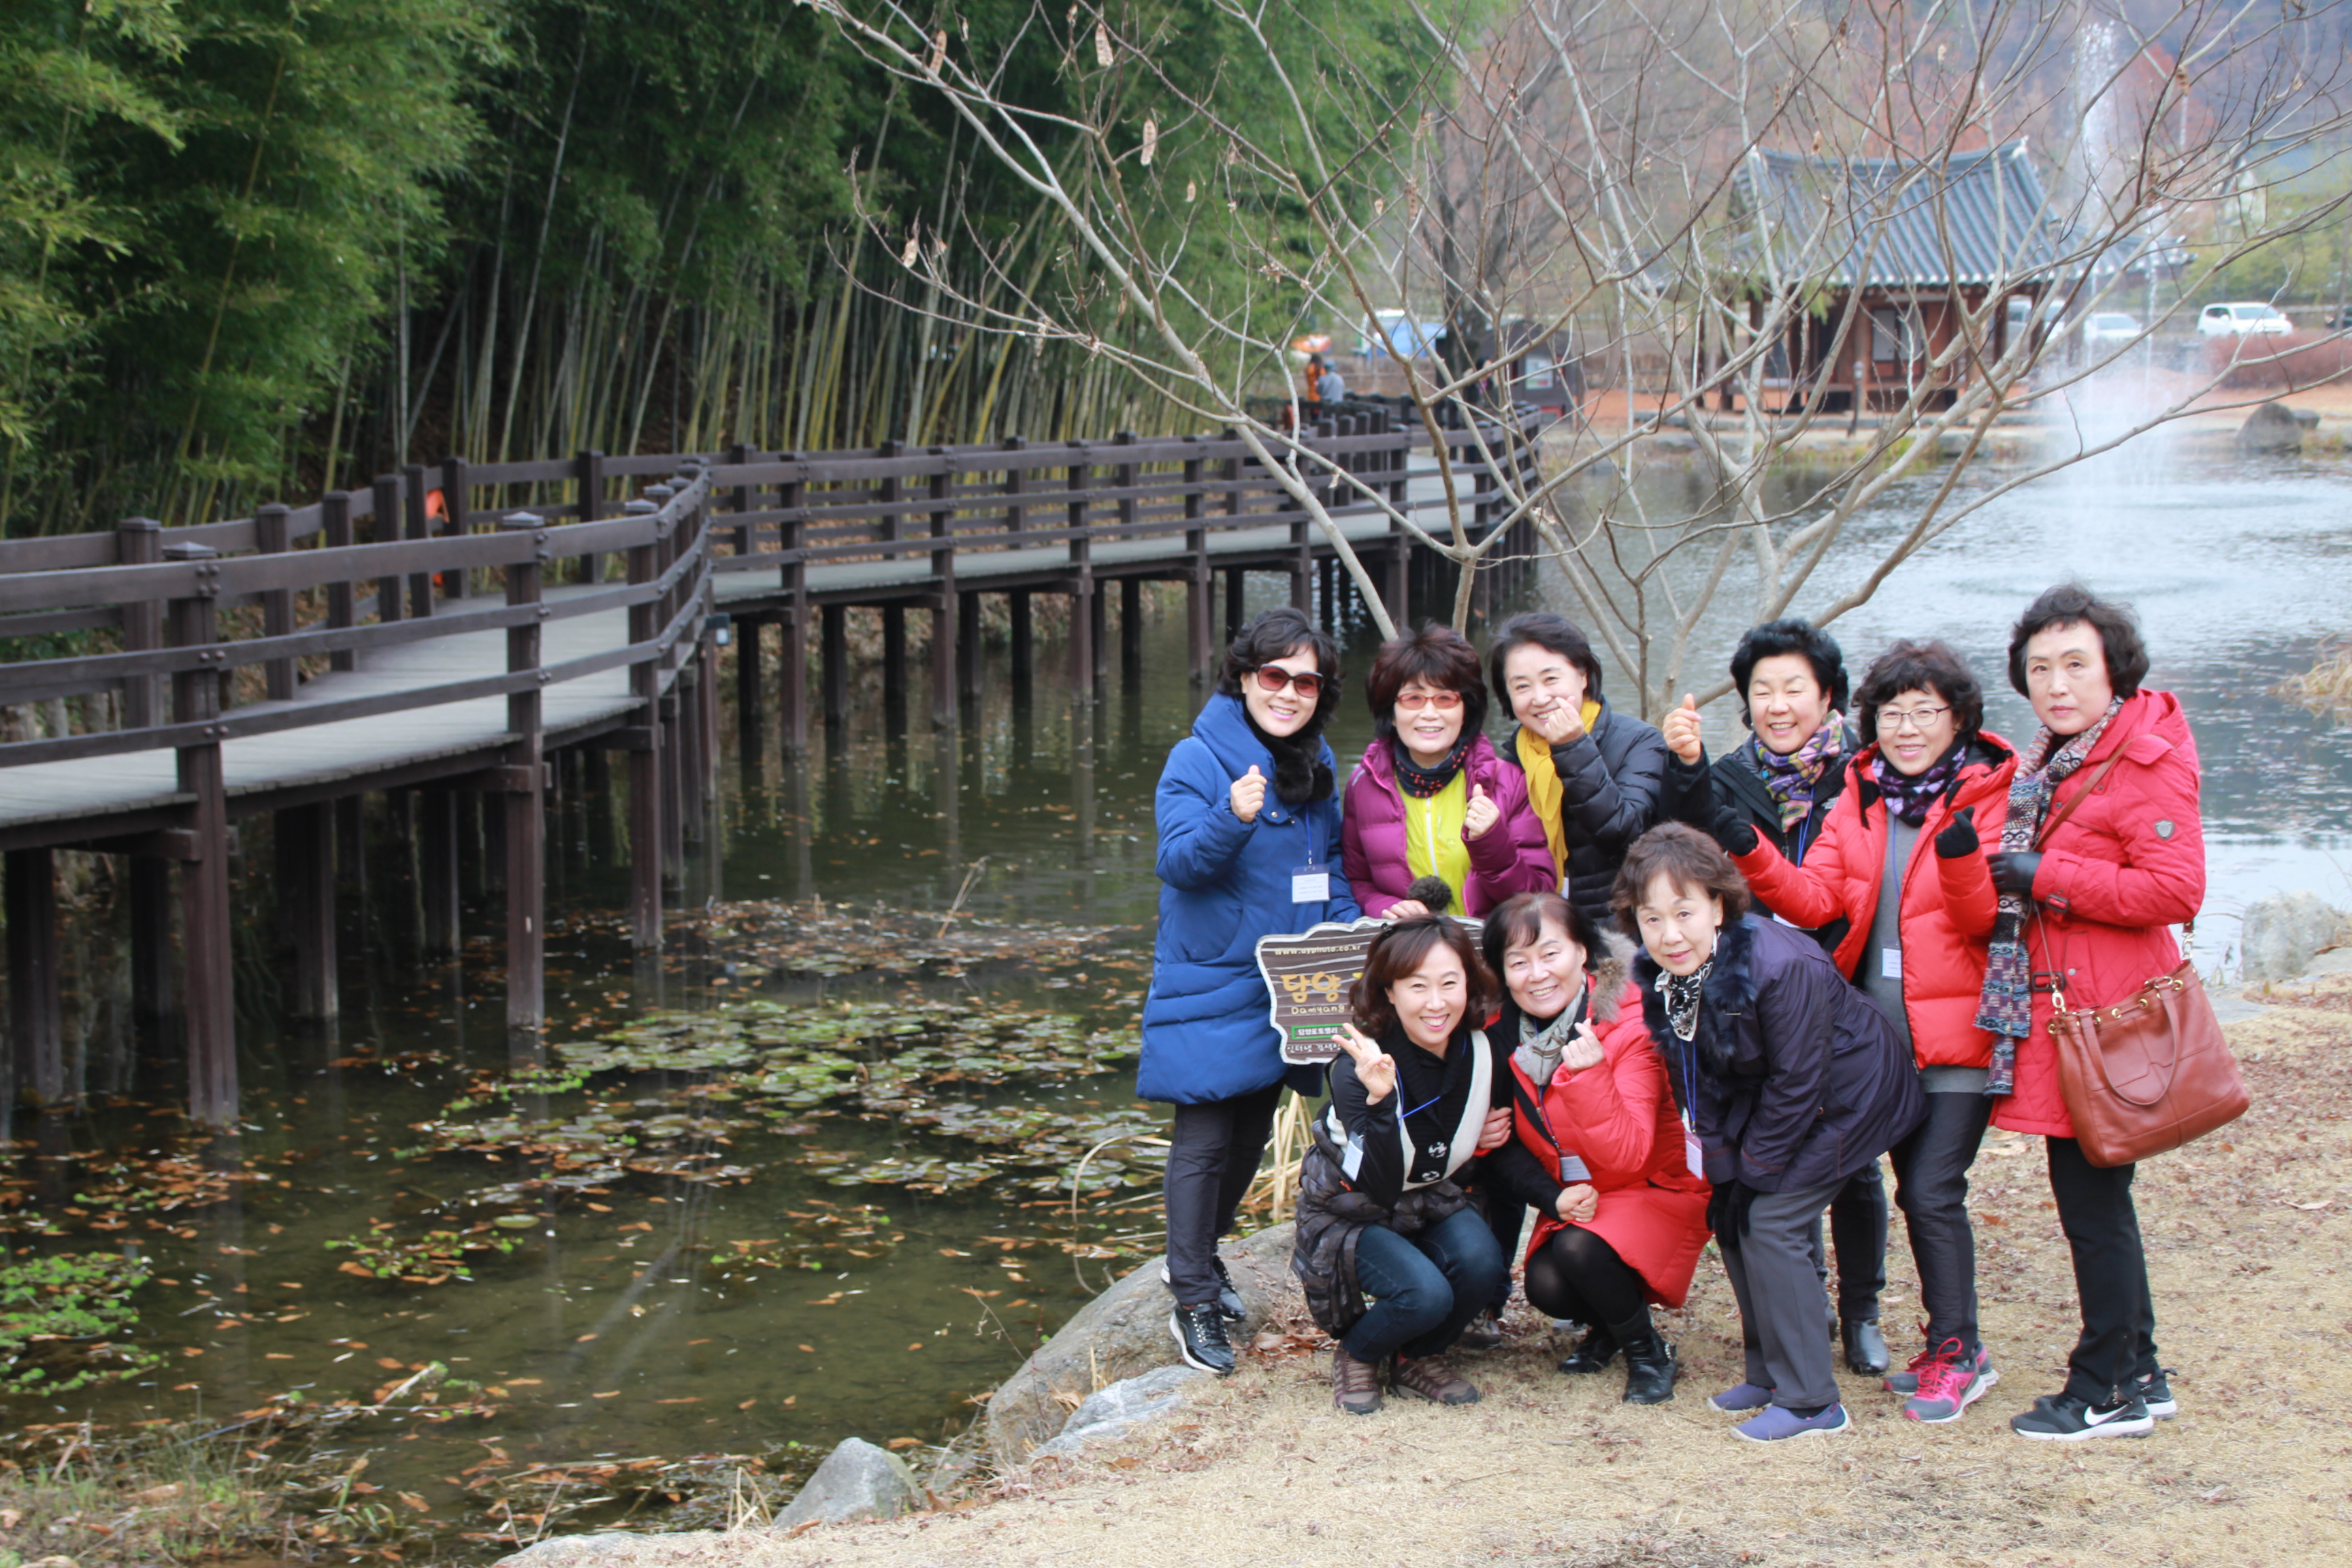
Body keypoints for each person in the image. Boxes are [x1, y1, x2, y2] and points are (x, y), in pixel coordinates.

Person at [1719, 640, 2019, 1423]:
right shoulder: (1860, 794)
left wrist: (1961, 860)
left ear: (1960, 720)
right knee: (1873, 1186)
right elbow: (1815, 899)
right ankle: (1904, 1335)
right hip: (1874, 1046)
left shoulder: (1988, 794)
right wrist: (1749, 849)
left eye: (1925, 712)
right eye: (1892, 713)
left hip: (1955, 1037)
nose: (1907, 728)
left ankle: (1959, 1352)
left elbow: (1985, 920)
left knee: (1931, 1191)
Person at [1982, 585, 2203, 1441]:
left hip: (2108, 1019)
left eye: (2076, 665)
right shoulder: (2058, 760)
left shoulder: (2140, 759)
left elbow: (2177, 890)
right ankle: (2141, 1371)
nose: (2057, 684)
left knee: (2093, 1204)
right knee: (2100, 1198)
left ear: (2115, 670)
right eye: (2040, 669)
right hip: (2077, 1013)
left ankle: (2104, 1386)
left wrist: (2046, 876)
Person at [1620, 824, 1923, 1441]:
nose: (1669, 934)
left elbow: (1799, 1082)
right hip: (1770, 1098)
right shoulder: (1666, 975)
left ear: (1719, 906)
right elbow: (1692, 1078)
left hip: (1853, 1097)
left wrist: (1756, 1170)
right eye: (1652, 919)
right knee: (1731, 1216)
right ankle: (1769, 1374)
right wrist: (1723, 1166)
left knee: (1771, 1220)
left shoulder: (1781, 965)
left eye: (1684, 912)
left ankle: (1813, 1402)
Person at [1659, 617, 1892, 1374]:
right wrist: (1686, 767)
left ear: (1828, 696)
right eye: (1763, 690)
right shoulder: (1727, 777)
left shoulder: (1863, 776)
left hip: (1846, 983)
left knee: (1852, 1162)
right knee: (1774, 1144)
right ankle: (1804, 1301)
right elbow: (1681, 845)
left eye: (1795, 688)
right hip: (1759, 995)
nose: (1778, 705)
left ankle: (1862, 1311)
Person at [1142, 607, 1362, 1376]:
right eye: (1275, 675)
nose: (1289, 692)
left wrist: (1363, 930)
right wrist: (1232, 815)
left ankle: (1197, 1257)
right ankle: (1193, 1298)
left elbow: (1329, 873)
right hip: (1212, 977)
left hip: (1288, 983)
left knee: (1247, 1137)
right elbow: (1179, 862)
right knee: (1204, 1137)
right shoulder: (1198, 758)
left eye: (1308, 682)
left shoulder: (1316, 766)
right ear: (1244, 678)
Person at [1485, 890, 1710, 1405]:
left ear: (1583, 953)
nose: (1537, 974)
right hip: (1582, 1195)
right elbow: (1506, 1145)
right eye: (1518, 962)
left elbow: (1630, 1153)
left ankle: (1649, 1353)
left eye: (1550, 954)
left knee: (1578, 1249)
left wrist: (1590, 1077)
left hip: (1652, 1186)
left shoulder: (1629, 1023)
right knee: (1545, 1285)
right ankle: (1610, 1325)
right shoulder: (1501, 1035)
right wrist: (1549, 1195)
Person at [1291, 917, 1516, 1415]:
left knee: (1483, 1263)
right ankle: (1359, 1352)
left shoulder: (1481, 1050)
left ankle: (1415, 1356)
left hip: (1429, 1198)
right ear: (1389, 992)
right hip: (1352, 1206)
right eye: (1417, 987)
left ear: (1469, 985)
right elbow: (1379, 1181)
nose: (1436, 1003)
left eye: (1450, 983)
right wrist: (1379, 1101)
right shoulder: (1356, 1067)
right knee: (1424, 1295)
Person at [1342, 623, 1556, 920]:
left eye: (1445, 699)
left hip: (1487, 944)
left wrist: (1492, 841)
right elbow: (1358, 881)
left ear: (1465, 709)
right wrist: (1384, 907)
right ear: (1391, 712)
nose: (1430, 714)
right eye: (1413, 699)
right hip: (1410, 944)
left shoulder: (1507, 781)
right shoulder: (1363, 785)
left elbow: (1539, 896)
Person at [1489, 612, 1669, 936]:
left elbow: (1625, 836)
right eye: (1522, 686)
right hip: (1540, 932)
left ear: (1583, 675)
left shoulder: (1639, 741)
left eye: (1551, 679)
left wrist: (1573, 747)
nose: (1540, 698)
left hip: (1620, 928)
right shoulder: (1512, 762)